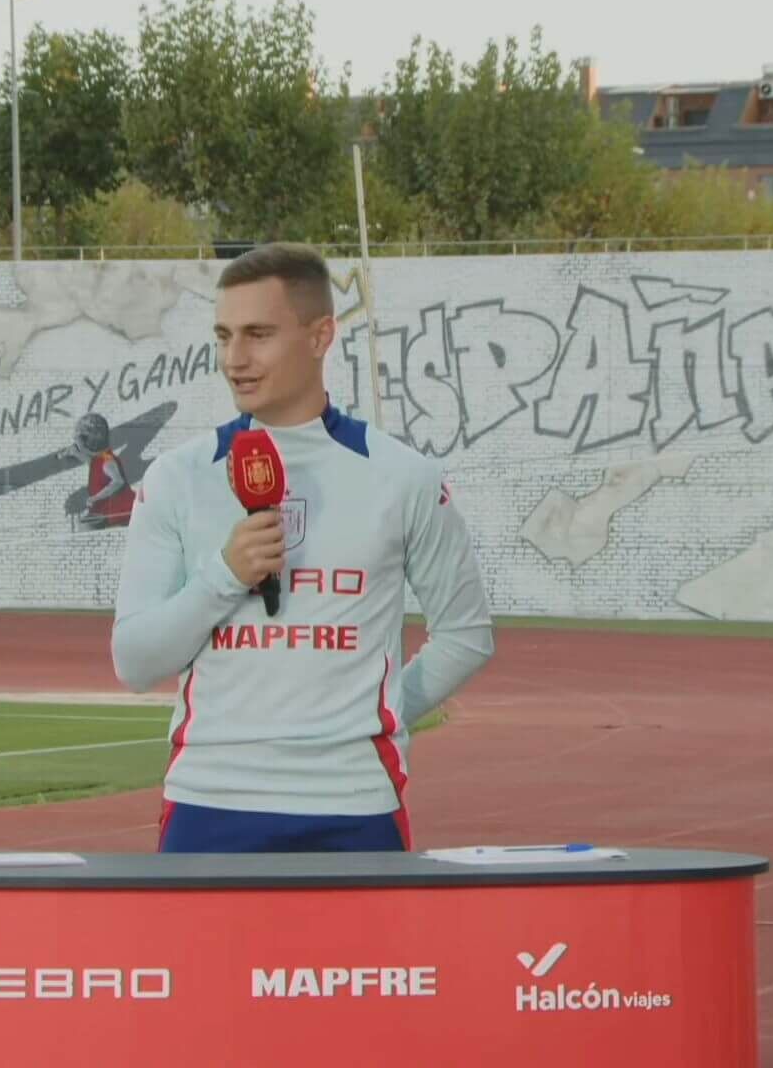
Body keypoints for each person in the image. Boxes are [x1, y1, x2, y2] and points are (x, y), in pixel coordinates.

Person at [110, 242, 494, 853]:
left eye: (259, 334)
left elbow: (467, 635)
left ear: (320, 337)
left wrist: (378, 717)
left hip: (355, 804)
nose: (235, 358)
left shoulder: (403, 476)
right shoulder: (178, 477)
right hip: (210, 800)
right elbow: (133, 663)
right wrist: (223, 576)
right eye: (223, 335)